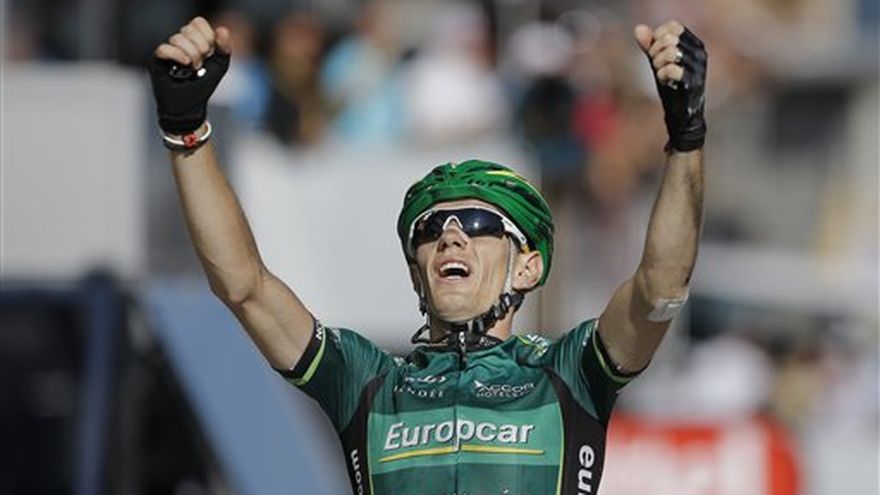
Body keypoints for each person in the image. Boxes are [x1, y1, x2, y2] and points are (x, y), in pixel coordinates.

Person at [148, 15, 707, 495]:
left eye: (480, 224)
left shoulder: (567, 373)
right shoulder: (368, 381)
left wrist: (686, 137)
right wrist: (185, 130)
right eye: (431, 228)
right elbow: (244, 287)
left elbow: (659, 290)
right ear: (417, 276)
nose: (451, 237)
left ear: (528, 265)